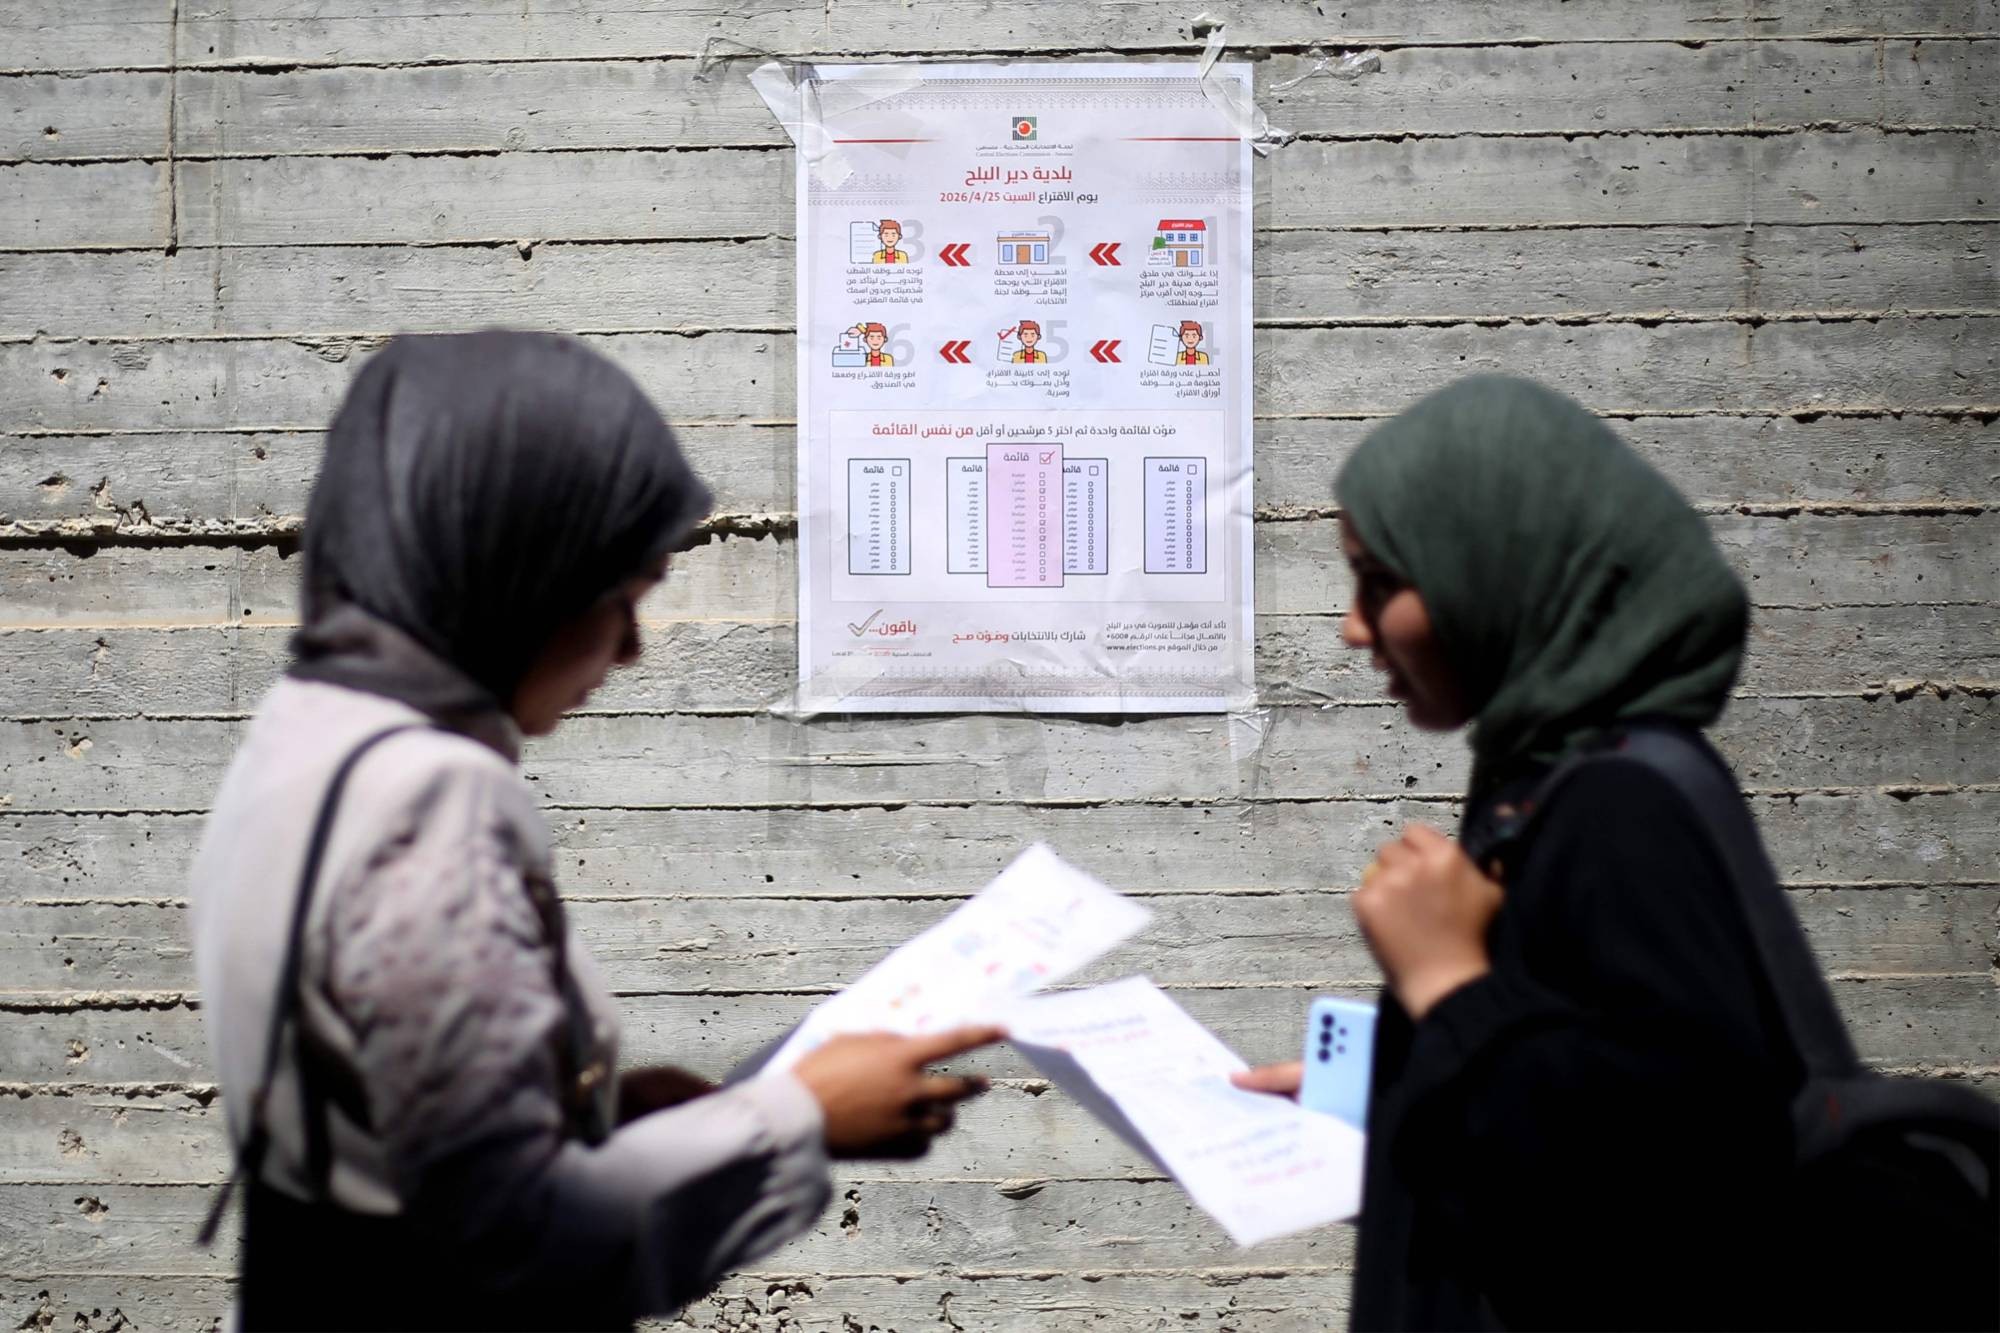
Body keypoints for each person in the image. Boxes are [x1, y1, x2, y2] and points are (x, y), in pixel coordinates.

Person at [190, 331, 1002, 1332]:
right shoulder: (430, 801)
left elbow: (389, 1108)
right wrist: (800, 1114)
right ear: (518, 571)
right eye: (621, 597)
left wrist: (606, 1115)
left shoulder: (312, 727)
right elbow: (515, 1238)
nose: (631, 649)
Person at [1232, 375, 1813, 1329]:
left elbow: (1682, 1192)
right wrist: (1393, 1091)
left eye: (1381, 582)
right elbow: (1589, 1081)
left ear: (1496, 566)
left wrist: (1448, 984)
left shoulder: (1620, 809)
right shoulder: (1548, 779)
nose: (1352, 626)